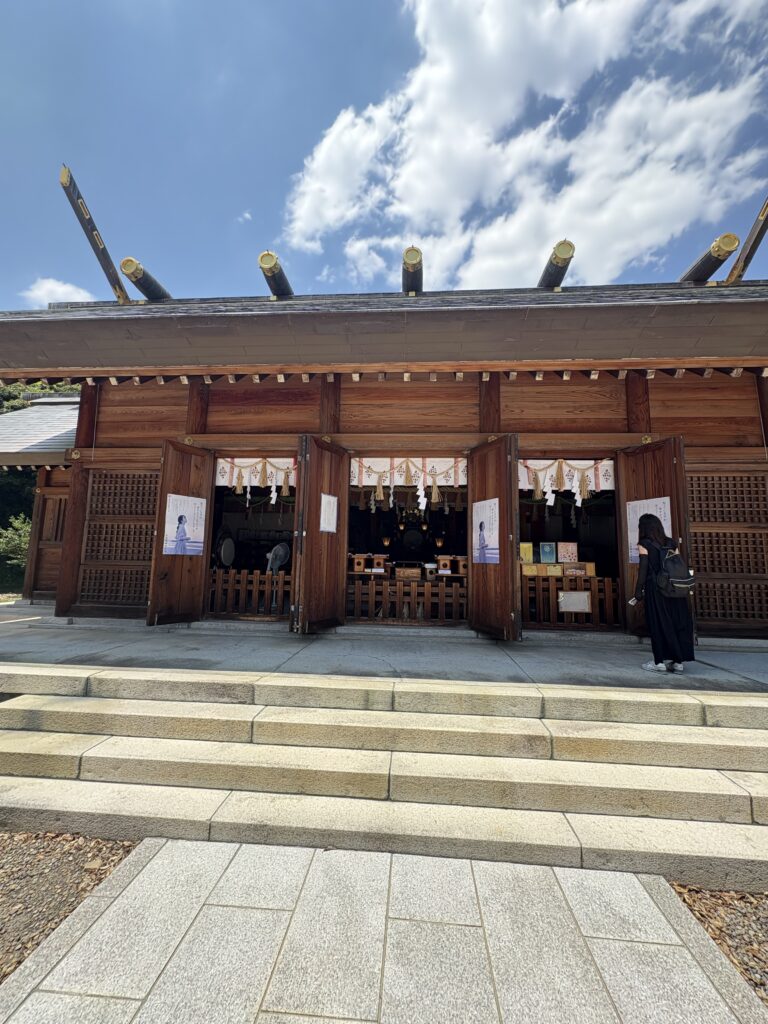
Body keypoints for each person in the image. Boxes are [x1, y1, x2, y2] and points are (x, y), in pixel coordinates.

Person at [631, 512, 694, 672]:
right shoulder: (671, 543)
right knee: (677, 623)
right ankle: (678, 661)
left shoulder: (644, 544)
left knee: (658, 624)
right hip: (675, 588)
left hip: (657, 589)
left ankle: (659, 662)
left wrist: (638, 591)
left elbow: (643, 570)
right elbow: (678, 566)